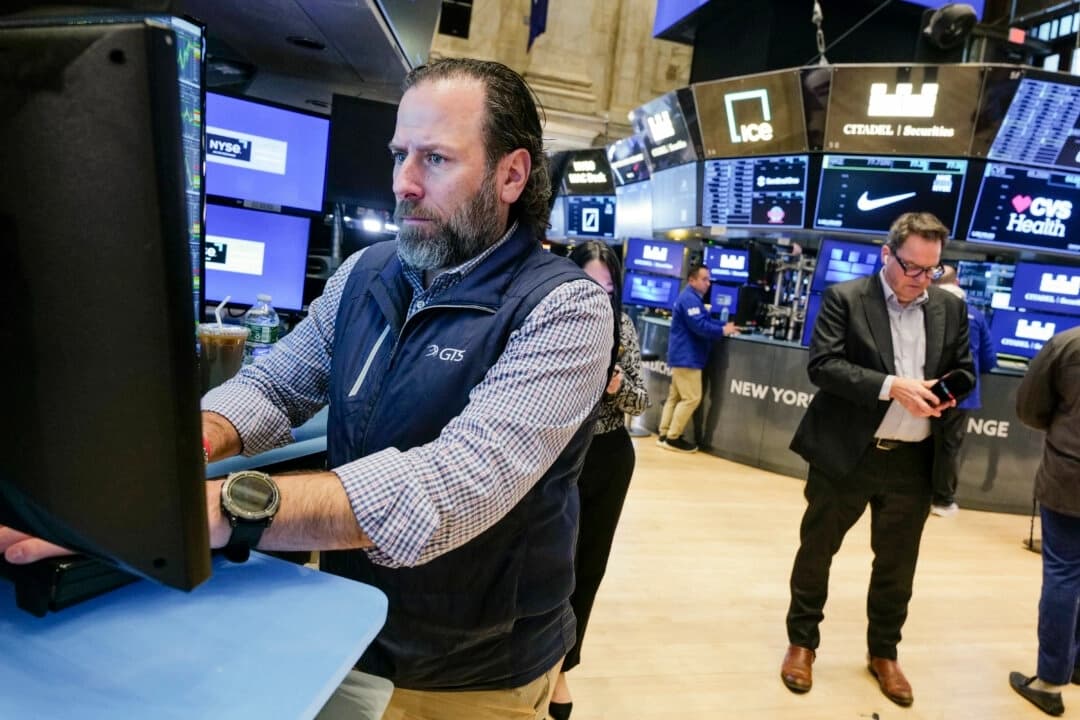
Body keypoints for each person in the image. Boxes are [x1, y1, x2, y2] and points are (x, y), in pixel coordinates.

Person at [1, 58, 614, 720]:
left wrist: (190, 510)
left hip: (473, 675)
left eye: (435, 159)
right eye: (399, 155)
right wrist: (178, 452)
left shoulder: (565, 309)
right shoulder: (367, 274)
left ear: (511, 175)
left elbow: (443, 490)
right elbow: (273, 386)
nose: (403, 183)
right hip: (351, 632)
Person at [781, 212, 974, 707]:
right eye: (912, 267)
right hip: (847, 453)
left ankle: (884, 652)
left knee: (897, 565)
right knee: (817, 550)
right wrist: (893, 387)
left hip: (914, 460)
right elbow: (823, 366)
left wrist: (946, 393)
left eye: (931, 269)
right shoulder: (846, 298)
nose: (921, 279)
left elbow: (965, 370)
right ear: (887, 254)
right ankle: (802, 642)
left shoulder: (949, 309)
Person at [549, 241, 649, 720]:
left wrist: (617, 386)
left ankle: (561, 667)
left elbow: (641, 401)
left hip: (608, 456)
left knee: (588, 566)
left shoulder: (622, 326)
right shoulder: (548, 320)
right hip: (555, 453)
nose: (598, 295)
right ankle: (532, 654)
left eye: (607, 288)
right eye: (588, 283)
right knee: (549, 560)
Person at [1009, 326, 1080, 717]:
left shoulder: (1068, 343)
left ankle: (1050, 682)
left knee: (1063, 574)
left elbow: (1029, 407)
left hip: (1070, 475)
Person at [929, 265, 997, 517]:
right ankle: (942, 501)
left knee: (919, 443)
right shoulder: (975, 315)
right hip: (961, 393)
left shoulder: (926, 307)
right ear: (957, 282)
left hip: (926, 388)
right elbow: (989, 359)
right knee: (949, 447)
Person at [658, 263, 737, 453]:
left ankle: (664, 433)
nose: (708, 283)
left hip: (682, 356)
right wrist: (722, 330)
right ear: (692, 280)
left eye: (709, 279)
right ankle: (673, 438)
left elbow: (704, 320)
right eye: (704, 279)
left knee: (675, 397)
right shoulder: (689, 299)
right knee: (692, 398)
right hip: (687, 357)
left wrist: (722, 325)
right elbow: (700, 326)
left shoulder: (691, 298)